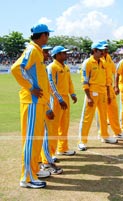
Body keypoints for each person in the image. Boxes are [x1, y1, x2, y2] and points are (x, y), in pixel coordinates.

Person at [11, 23, 53, 188]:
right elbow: (16, 68)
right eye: (47, 35)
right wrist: (31, 87)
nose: (48, 37)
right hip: (32, 102)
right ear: (42, 35)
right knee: (31, 140)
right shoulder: (32, 50)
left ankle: (34, 169)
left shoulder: (37, 51)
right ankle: (27, 177)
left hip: (39, 102)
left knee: (37, 139)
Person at [78, 42, 117, 151]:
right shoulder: (88, 63)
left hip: (103, 92)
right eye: (100, 51)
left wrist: (108, 94)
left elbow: (107, 80)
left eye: (103, 51)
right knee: (87, 117)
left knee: (103, 116)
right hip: (92, 92)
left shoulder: (103, 62)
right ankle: (82, 141)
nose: (103, 53)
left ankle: (105, 136)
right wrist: (89, 97)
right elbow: (84, 81)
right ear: (94, 50)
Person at [46, 45, 77, 157]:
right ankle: (51, 152)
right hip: (56, 100)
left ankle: (63, 148)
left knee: (64, 125)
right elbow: (51, 84)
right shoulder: (52, 67)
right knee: (54, 126)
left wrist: (72, 93)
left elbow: (69, 82)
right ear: (57, 55)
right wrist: (59, 98)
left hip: (65, 99)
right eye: (64, 53)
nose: (66, 54)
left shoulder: (66, 67)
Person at [39, 45, 63, 176]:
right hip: (41, 105)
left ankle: (40, 161)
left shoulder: (42, 67)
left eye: (48, 51)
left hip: (43, 103)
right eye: (45, 52)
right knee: (46, 133)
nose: (47, 54)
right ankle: (46, 162)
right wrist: (49, 107)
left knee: (42, 133)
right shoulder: (46, 67)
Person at [98, 40, 123, 139]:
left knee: (114, 110)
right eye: (104, 48)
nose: (106, 50)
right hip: (100, 88)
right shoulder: (97, 59)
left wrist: (115, 86)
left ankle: (117, 132)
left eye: (107, 48)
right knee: (102, 112)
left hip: (109, 87)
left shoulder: (109, 57)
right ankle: (102, 133)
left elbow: (114, 72)